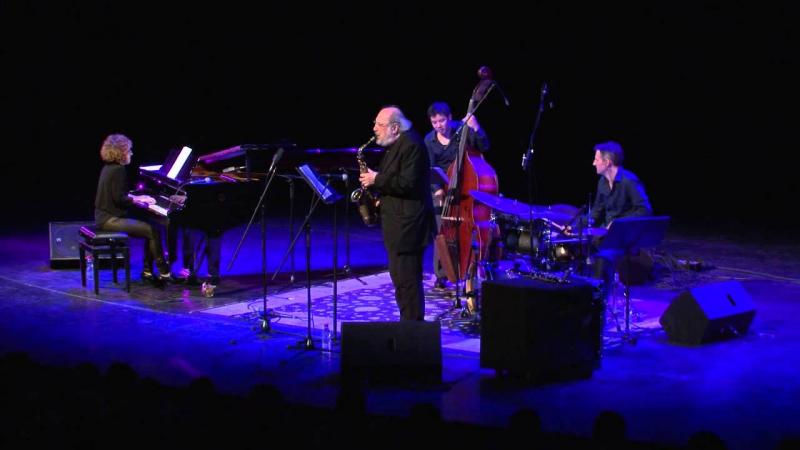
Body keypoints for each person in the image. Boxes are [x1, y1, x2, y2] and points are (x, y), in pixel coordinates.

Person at [359, 106, 436, 321]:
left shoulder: (412, 145)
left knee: (408, 281)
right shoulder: (396, 145)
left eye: (379, 125)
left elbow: (408, 184)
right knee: (401, 280)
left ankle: (412, 330)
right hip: (397, 224)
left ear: (394, 127)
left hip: (408, 227)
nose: (374, 129)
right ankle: (408, 325)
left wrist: (377, 179)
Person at [423, 101, 490, 288]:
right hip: (441, 190)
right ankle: (442, 273)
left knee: (465, 232)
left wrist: (475, 127)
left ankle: (467, 269)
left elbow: (484, 146)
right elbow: (429, 168)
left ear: (450, 118)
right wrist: (436, 189)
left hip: (465, 190)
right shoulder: (429, 140)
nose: (439, 125)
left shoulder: (462, 130)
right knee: (441, 233)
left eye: (442, 121)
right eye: (434, 122)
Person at [94, 133, 171, 286]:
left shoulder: (109, 168)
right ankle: (165, 272)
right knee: (152, 231)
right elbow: (120, 199)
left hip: (104, 217)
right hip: (110, 220)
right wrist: (138, 199)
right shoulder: (118, 170)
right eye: (129, 151)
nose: (131, 153)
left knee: (150, 229)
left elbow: (117, 194)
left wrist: (135, 197)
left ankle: (148, 270)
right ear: (121, 153)